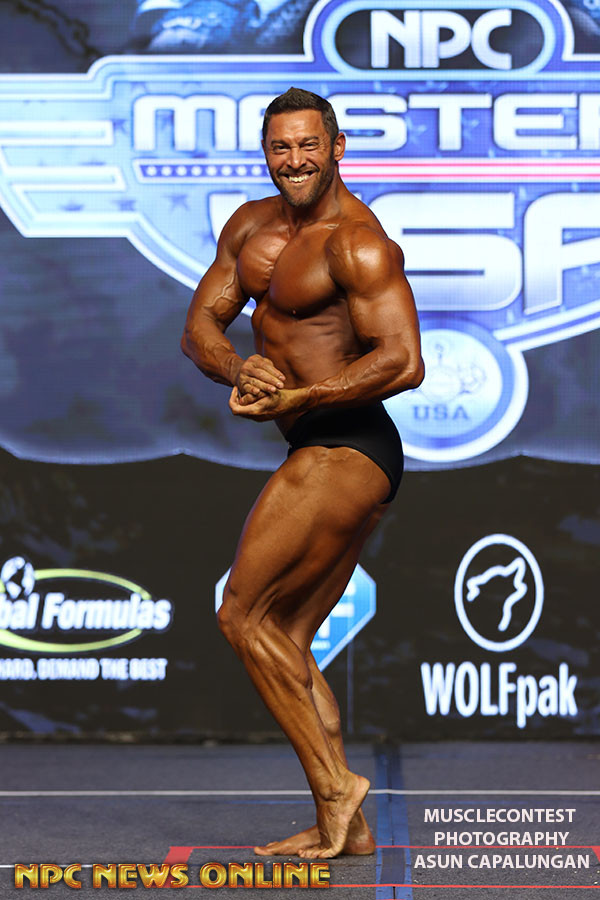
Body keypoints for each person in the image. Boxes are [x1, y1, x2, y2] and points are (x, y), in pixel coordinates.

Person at [181, 87, 424, 859]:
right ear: (266, 152)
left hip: (349, 442)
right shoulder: (250, 227)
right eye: (280, 147)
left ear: (337, 147)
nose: (294, 161)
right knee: (284, 633)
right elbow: (200, 325)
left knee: (241, 615)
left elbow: (404, 361)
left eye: (308, 145)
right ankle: (344, 828)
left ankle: (336, 787)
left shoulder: (358, 243)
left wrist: (300, 397)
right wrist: (240, 369)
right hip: (313, 443)